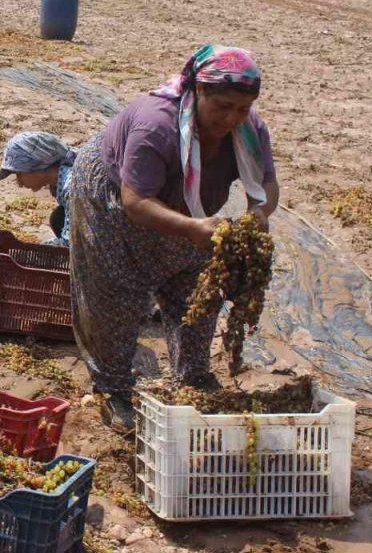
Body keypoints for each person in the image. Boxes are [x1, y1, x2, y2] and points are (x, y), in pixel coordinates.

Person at [68, 44, 279, 431]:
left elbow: (266, 188)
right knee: (118, 293)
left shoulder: (251, 131)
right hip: (113, 196)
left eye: (243, 109)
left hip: (188, 206)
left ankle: (194, 376)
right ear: (199, 92)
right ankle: (113, 390)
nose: (232, 118)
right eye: (223, 106)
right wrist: (191, 228)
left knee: (197, 289)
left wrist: (256, 216)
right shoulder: (157, 126)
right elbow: (136, 202)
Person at [0, 131, 76, 246]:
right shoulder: (58, 184)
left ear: (35, 166)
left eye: (19, 174)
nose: (19, 183)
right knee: (58, 218)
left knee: (58, 219)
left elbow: (71, 244)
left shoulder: (72, 186)